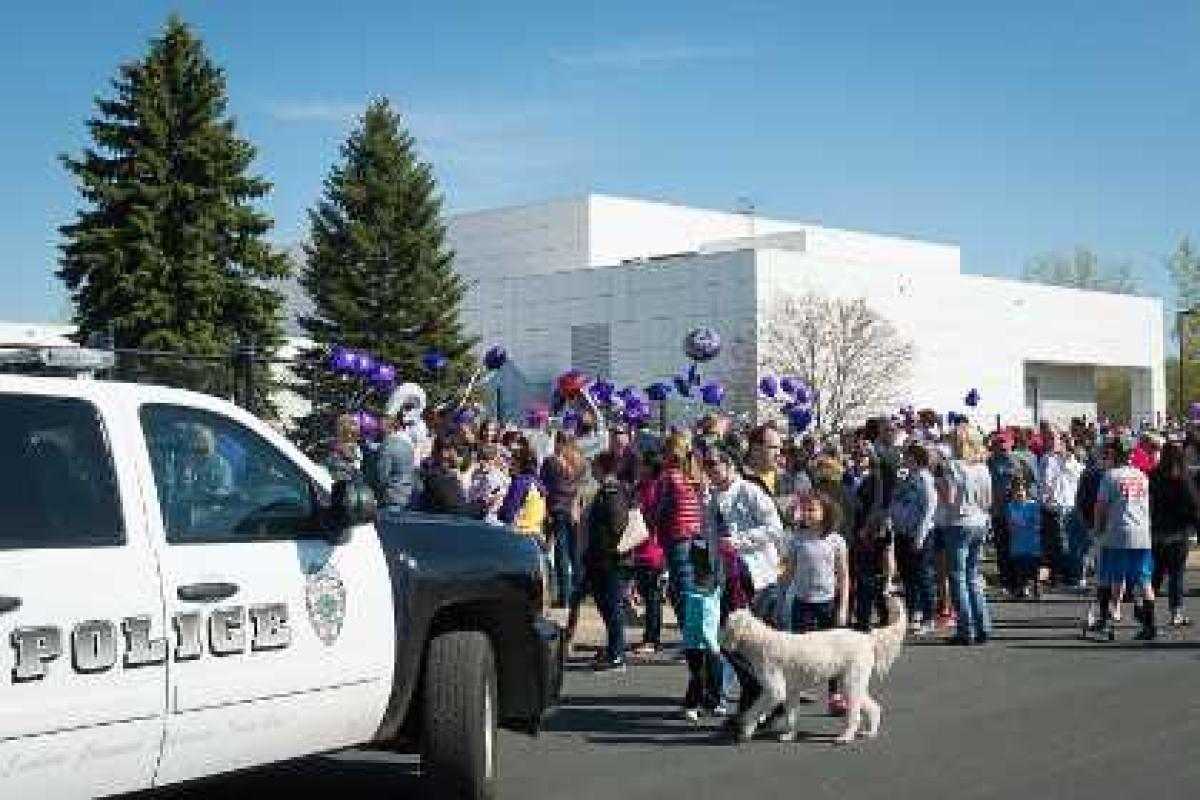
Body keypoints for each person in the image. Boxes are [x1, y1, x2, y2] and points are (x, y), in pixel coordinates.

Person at [777, 490, 850, 716]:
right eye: (805, 509)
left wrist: (843, 607)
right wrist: (778, 595)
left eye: (812, 509)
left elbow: (844, 576)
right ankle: (795, 691)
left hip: (827, 603)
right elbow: (789, 573)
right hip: (802, 602)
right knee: (799, 651)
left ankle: (835, 695)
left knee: (833, 652)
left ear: (825, 512)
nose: (807, 514)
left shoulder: (836, 540)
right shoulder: (798, 539)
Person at [570, 452, 632, 672]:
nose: (592, 470)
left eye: (594, 465)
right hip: (601, 559)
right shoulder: (606, 490)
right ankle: (614, 649)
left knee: (612, 607)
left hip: (610, 559)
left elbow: (617, 524)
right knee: (606, 606)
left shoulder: (611, 490)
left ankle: (617, 655)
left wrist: (604, 544)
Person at [1094, 434, 1157, 641]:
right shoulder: (1142, 476)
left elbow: (1101, 507)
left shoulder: (1110, 476)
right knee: (1144, 579)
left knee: (1109, 576)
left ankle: (1104, 619)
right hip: (1141, 533)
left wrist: (1098, 530)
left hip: (1118, 533)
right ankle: (1150, 625)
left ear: (1116, 453)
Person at [937, 426, 993, 645]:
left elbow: (949, 498)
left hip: (959, 521)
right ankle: (982, 625)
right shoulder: (982, 468)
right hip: (979, 520)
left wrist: (938, 484)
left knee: (958, 577)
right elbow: (988, 500)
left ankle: (966, 629)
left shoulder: (953, 466)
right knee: (972, 575)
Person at [1149, 441, 1199, 627]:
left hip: (1156, 531)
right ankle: (1175, 613)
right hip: (1177, 532)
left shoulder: (1153, 475)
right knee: (1176, 576)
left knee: (1156, 574)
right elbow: (1194, 506)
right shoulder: (1183, 478)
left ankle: (1147, 609)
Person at [655, 431, 703, 625]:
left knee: (681, 590)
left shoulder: (670, 477)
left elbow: (662, 509)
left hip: (678, 537)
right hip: (696, 537)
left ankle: (691, 640)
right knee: (694, 589)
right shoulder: (694, 476)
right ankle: (696, 636)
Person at [890, 442, 938, 633]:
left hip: (919, 534)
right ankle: (913, 613)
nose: (904, 459)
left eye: (908, 456)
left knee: (922, 576)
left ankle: (928, 617)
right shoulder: (907, 476)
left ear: (917, 458)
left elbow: (929, 509)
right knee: (908, 576)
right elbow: (896, 499)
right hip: (903, 532)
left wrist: (920, 535)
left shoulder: (925, 478)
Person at [540, 431, 585, 607]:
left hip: (557, 509)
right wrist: (576, 505)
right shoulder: (580, 462)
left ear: (558, 442)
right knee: (575, 554)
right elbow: (580, 487)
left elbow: (543, 487)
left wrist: (545, 511)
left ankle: (564, 597)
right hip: (574, 511)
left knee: (561, 554)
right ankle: (578, 594)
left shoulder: (550, 462)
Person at [681, 542, 724, 721]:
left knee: (711, 673)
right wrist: (714, 646)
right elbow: (704, 625)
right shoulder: (697, 596)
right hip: (697, 642)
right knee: (698, 675)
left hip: (706, 641)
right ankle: (692, 704)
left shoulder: (712, 592)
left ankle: (712, 702)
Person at [630, 448, 667, 655]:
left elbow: (651, 517)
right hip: (639, 547)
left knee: (652, 596)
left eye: (642, 464)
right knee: (647, 594)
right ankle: (650, 636)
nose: (639, 467)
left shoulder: (654, 488)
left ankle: (652, 639)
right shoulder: (640, 486)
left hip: (652, 549)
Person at [1039, 429, 1084, 587]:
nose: (1050, 441)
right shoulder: (1047, 459)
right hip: (1052, 507)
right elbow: (1045, 482)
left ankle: (1067, 575)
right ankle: (1056, 575)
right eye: (1048, 437)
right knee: (1054, 544)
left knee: (1067, 543)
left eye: (1054, 438)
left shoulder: (1074, 462)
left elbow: (1078, 481)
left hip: (1069, 506)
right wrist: (1045, 499)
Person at [410, 435, 475, 516]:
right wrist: (482, 507)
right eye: (441, 449)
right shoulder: (440, 478)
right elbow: (458, 510)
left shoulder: (430, 471)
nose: (444, 455)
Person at [1006, 475, 1043, 599]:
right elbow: (1010, 524)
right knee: (1020, 567)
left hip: (1032, 544)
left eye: (1021, 490)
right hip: (1017, 544)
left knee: (1033, 567)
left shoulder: (1033, 506)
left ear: (1026, 491)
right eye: (1016, 490)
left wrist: (1030, 524)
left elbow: (1037, 523)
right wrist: (1013, 526)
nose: (1019, 493)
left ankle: (1036, 586)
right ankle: (1022, 588)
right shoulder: (1010, 506)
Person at [375, 413, 418, 510]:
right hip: (408, 495)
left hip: (391, 497)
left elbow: (382, 476)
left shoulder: (387, 446)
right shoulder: (407, 445)